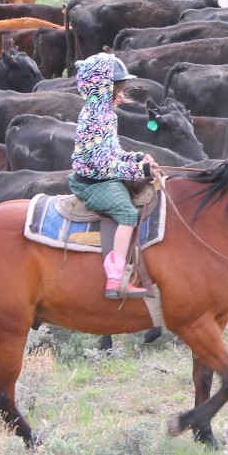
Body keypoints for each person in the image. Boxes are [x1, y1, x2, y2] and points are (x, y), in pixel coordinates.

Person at [68, 53, 158, 299]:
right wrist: (140, 172)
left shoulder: (106, 115)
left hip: (103, 176)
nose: (122, 95)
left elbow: (114, 153)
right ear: (102, 89)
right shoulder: (96, 118)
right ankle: (116, 279)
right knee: (127, 212)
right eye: (117, 89)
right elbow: (103, 165)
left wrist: (138, 158)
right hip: (93, 183)